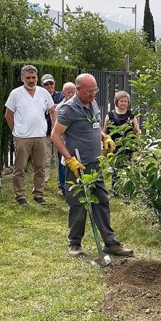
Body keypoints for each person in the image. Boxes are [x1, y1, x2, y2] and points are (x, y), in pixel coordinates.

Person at [51, 73, 133, 257]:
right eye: (88, 91)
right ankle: (75, 244)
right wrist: (69, 159)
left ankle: (110, 243)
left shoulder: (93, 103)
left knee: (102, 201)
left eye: (94, 90)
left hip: (95, 162)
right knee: (78, 204)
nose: (92, 94)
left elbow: (94, 125)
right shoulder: (68, 109)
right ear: (78, 90)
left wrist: (105, 138)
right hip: (78, 165)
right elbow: (55, 136)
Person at [5, 65, 56, 205]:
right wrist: (15, 130)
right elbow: (8, 115)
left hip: (40, 135)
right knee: (20, 168)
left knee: (40, 167)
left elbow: (52, 111)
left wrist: (54, 129)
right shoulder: (15, 94)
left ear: (37, 78)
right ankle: (20, 195)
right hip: (22, 137)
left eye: (33, 77)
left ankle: (38, 194)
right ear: (22, 78)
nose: (31, 80)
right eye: (28, 77)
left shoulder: (44, 93)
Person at [103, 91, 140, 196]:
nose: (123, 103)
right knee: (115, 167)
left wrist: (137, 145)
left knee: (126, 167)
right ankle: (115, 189)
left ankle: (126, 190)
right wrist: (104, 144)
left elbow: (137, 131)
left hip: (127, 146)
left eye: (125, 101)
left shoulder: (131, 116)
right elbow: (104, 130)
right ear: (116, 101)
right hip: (114, 146)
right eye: (121, 101)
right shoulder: (110, 115)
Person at [41, 74, 64, 185]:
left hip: (59, 133)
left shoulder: (61, 96)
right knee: (45, 159)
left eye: (51, 83)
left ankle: (61, 181)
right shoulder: (39, 97)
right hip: (45, 133)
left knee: (61, 159)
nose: (49, 86)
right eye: (46, 84)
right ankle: (43, 182)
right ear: (42, 85)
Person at [55, 82, 77, 195]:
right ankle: (64, 186)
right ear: (64, 93)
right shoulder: (60, 107)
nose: (71, 94)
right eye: (68, 91)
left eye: (73, 91)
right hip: (62, 139)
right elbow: (56, 126)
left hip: (73, 140)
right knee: (62, 163)